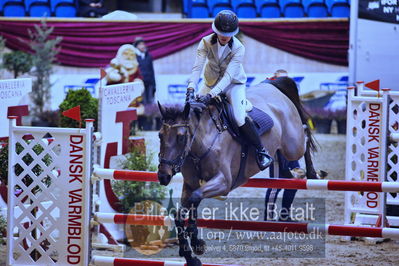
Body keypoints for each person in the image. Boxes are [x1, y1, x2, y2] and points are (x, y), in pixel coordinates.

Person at [186, 10, 272, 170]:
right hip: (210, 82)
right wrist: (191, 87)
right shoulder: (205, 42)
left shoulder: (239, 48)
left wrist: (211, 94)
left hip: (233, 84)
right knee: (192, 110)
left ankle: (261, 151)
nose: (225, 36)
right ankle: (187, 150)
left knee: (239, 118)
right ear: (215, 30)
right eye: (221, 32)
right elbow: (197, 67)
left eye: (228, 33)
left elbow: (228, 76)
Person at [133, 37, 156, 105]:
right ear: (136, 46)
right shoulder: (133, 56)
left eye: (143, 44)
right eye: (140, 44)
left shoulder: (149, 56)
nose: (142, 46)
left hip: (149, 83)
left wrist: (154, 85)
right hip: (139, 83)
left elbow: (151, 71)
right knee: (141, 102)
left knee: (150, 102)